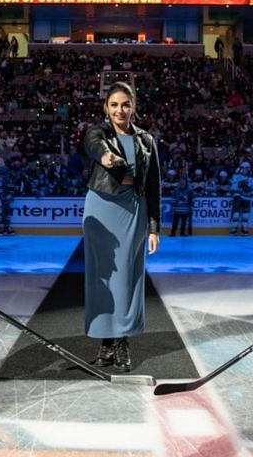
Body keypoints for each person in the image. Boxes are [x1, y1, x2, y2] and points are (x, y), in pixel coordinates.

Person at [82, 81, 161, 372]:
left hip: (133, 209)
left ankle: (123, 339)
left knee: (128, 277)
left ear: (134, 106)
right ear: (106, 107)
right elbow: (94, 146)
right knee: (101, 276)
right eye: (114, 104)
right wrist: (106, 157)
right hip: (101, 206)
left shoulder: (147, 140)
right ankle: (105, 340)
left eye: (125, 104)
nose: (120, 110)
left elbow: (154, 185)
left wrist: (153, 227)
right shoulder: (97, 132)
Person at [229, 161, 253, 235]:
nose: (247, 170)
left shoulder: (251, 178)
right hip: (238, 197)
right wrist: (240, 186)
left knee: (245, 215)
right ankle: (234, 229)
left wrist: (249, 189)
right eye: (246, 168)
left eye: (248, 168)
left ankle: (245, 229)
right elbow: (232, 187)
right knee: (236, 214)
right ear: (242, 168)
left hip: (247, 198)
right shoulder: (236, 176)